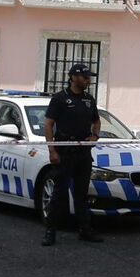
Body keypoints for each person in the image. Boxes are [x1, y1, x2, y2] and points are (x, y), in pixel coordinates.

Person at [41, 63, 104, 246]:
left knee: (81, 193)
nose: (88, 80)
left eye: (88, 77)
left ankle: (84, 229)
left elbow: (97, 121)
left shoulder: (89, 100)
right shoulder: (60, 98)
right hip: (64, 151)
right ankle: (50, 231)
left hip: (83, 153)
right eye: (85, 77)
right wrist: (52, 150)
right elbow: (48, 124)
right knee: (59, 193)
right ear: (73, 77)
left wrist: (95, 136)